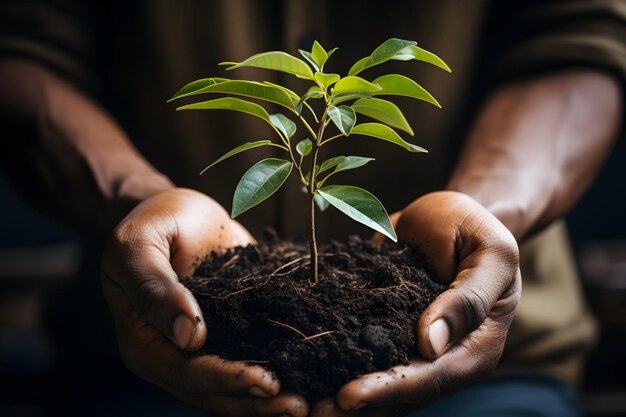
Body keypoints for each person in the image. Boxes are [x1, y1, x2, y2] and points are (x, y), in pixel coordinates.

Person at [0, 1, 624, 416]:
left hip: (491, 373)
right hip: (142, 361)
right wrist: (138, 203)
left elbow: (581, 35)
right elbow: (23, 41)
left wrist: (483, 212)